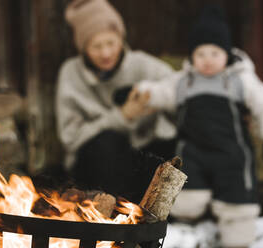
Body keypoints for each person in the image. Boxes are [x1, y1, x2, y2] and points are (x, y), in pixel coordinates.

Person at [136, 5, 263, 248]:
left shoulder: (240, 79)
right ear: (192, 56)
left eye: (214, 54)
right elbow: (159, 91)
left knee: (237, 199)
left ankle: (237, 237)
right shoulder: (183, 82)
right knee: (187, 195)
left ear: (227, 54)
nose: (207, 61)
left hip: (232, 154)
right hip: (194, 152)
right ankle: (186, 232)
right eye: (201, 54)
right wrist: (138, 94)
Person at [56, 0, 176, 203]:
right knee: (108, 142)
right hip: (97, 167)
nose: (105, 53)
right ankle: (112, 212)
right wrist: (122, 116)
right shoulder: (70, 73)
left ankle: (165, 210)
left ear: (121, 39)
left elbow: (178, 87)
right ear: (83, 47)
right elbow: (71, 138)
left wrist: (154, 97)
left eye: (111, 43)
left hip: (140, 157)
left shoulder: (140, 64)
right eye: (96, 46)